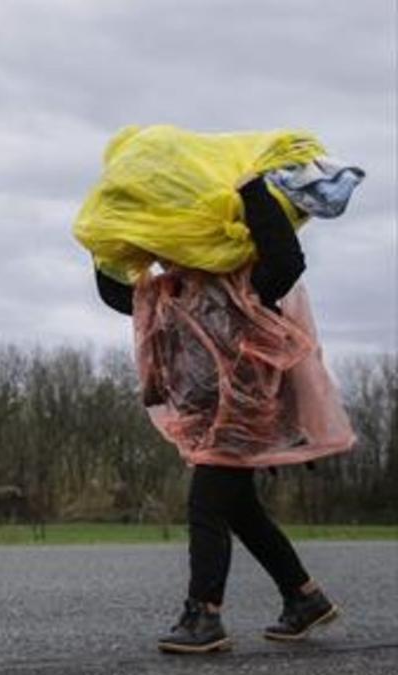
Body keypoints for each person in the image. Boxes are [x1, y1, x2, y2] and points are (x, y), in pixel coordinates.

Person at [95, 176, 340, 654]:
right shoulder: (171, 293)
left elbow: (287, 260)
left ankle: (204, 615)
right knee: (240, 511)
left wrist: (252, 193)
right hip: (205, 419)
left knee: (207, 505)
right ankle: (304, 596)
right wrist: (103, 238)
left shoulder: (248, 281)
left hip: (244, 416)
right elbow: (119, 296)